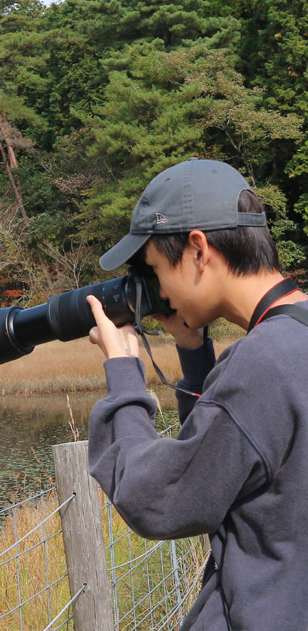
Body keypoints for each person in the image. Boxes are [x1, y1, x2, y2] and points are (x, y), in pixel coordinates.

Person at [84, 157, 308, 630]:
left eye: (156, 269)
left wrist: (123, 373)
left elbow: (158, 500)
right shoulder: (293, 341)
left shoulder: (262, 363)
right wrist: (193, 352)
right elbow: (236, 462)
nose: (161, 292)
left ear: (198, 249)